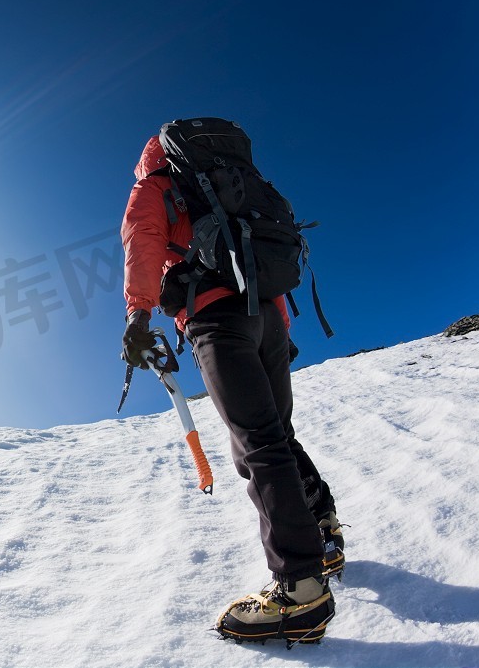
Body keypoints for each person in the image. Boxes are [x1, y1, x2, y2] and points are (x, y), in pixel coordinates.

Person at [119, 133, 344, 645]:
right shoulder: (234, 182)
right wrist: (280, 329)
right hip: (267, 315)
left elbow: (144, 239)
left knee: (257, 444)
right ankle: (323, 530)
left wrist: (138, 313)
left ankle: (300, 590)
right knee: (277, 435)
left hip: (215, 318)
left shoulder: (157, 184)